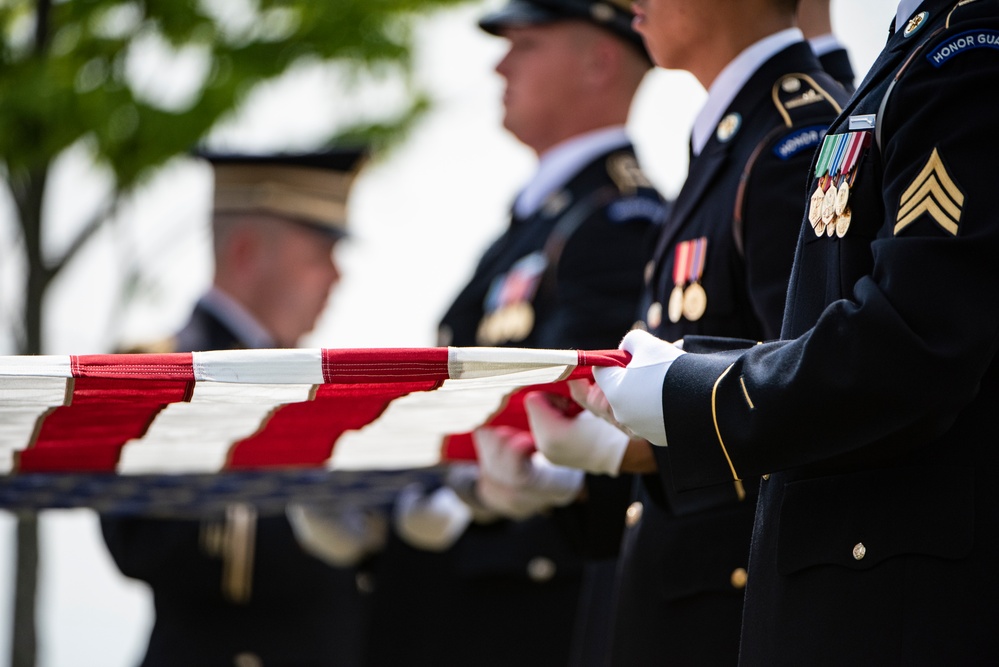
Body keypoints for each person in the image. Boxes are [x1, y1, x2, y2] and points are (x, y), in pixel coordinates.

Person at [584, 0, 999, 663]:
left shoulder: (965, 54)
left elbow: (916, 341)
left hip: (898, 606)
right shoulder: (924, 46)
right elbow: (817, 339)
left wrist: (688, 400)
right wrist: (685, 370)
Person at [511, 0, 849, 663]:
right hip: (682, 594)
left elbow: (818, 397)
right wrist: (587, 472)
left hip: (736, 608)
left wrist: (635, 452)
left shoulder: (794, 137)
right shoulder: (731, 135)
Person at [361, 1, 666, 664]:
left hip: (531, 593)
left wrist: (461, 482)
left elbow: (559, 401)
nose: (500, 64)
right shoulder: (547, 218)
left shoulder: (618, 221)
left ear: (598, 62)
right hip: (478, 581)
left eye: (525, 45)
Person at [101, 148, 374, 667]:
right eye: (320, 256)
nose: (337, 278)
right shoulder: (154, 372)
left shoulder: (308, 383)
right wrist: (311, 520)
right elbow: (147, 539)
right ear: (247, 252)